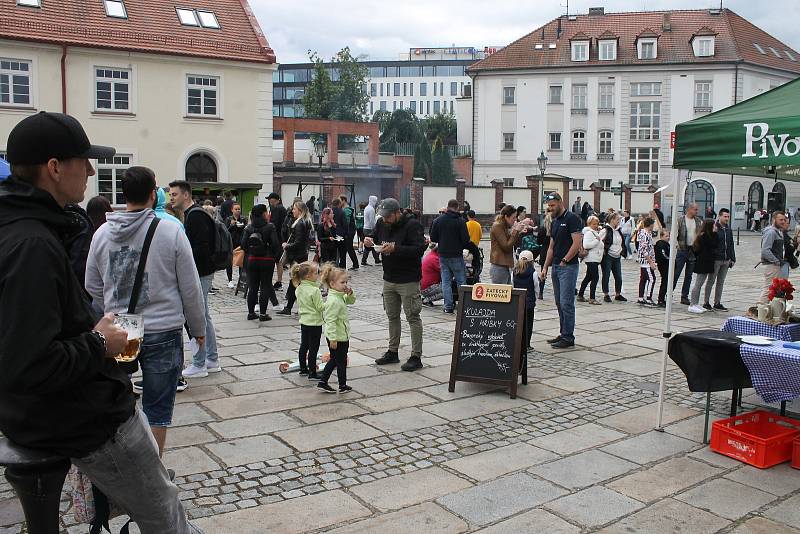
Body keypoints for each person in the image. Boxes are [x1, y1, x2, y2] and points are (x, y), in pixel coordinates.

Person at [0, 111, 200, 532]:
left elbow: (87, 286)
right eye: (83, 160)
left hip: (55, 409)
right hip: (83, 416)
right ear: (54, 168)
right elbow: (28, 361)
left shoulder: (34, 227)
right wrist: (98, 341)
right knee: (164, 512)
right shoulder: (32, 243)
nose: (91, 170)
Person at [86, 166, 206, 456]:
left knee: (120, 402)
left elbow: (92, 285)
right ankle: (152, 475)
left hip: (121, 328)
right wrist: (198, 329)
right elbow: (190, 287)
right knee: (158, 408)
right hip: (162, 328)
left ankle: (125, 468)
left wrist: (112, 310)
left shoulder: (102, 233)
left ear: (122, 195)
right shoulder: (171, 230)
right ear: (154, 194)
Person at [366, 198, 427, 371]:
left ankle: (416, 356)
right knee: (392, 316)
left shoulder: (412, 225)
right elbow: (376, 239)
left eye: (388, 217)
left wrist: (396, 249)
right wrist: (369, 242)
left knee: (413, 317)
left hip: (408, 278)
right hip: (389, 277)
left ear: (397, 213)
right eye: (383, 217)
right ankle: (393, 351)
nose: (385, 220)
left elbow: (418, 249)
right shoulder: (381, 223)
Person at [169, 180, 221, 379]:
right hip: (203, 271)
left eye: (174, 194)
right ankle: (211, 359)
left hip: (200, 272)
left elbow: (199, 249)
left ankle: (200, 363)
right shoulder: (195, 214)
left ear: (185, 195)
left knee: (197, 316)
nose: (171, 198)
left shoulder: (195, 216)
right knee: (203, 315)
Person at [540, 192, 583, 349]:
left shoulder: (572, 219)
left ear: (560, 202)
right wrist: (545, 266)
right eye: (549, 206)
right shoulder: (555, 220)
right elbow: (551, 246)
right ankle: (563, 332)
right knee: (559, 303)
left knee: (566, 303)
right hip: (556, 267)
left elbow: (576, 243)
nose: (550, 209)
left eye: (552, 205)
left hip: (568, 267)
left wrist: (565, 260)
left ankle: (568, 336)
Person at [317, 264, 356, 393]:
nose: (345, 284)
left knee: (335, 360)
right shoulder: (333, 300)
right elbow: (330, 321)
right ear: (332, 284)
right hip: (337, 337)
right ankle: (342, 385)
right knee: (340, 362)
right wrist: (333, 338)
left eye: (346, 282)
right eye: (342, 282)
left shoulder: (338, 296)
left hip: (341, 335)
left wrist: (350, 294)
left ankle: (323, 382)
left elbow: (350, 301)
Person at [430, 199, 471, 314]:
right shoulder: (460, 221)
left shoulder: (438, 220)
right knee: (461, 281)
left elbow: (433, 238)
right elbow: (466, 240)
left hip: (443, 255)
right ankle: (463, 305)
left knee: (446, 281)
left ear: (447, 207)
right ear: (457, 207)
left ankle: (448, 306)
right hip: (456, 255)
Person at [241, 204, 281, 321]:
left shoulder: (248, 227)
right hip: (267, 260)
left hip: (252, 260)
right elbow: (275, 244)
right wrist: (272, 254)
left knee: (252, 287)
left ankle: (251, 312)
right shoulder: (270, 226)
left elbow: (243, 244)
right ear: (264, 213)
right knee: (265, 286)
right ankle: (263, 314)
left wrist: (251, 251)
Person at [277, 200, 313, 315]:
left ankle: (290, 308)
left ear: (300, 210)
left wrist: (287, 246)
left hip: (297, 256)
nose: (292, 210)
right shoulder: (303, 222)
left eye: (294, 209)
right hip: (301, 255)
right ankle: (294, 307)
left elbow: (298, 243)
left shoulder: (299, 224)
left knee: (296, 282)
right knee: (297, 283)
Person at [293, 261, 323, 380]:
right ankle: (312, 372)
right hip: (315, 322)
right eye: (316, 273)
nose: (318, 276)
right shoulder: (315, 291)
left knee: (304, 345)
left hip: (304, 321)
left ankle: (302, 368)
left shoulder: (299, 288)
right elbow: (320, 307)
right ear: (308, 276)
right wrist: (330, 304)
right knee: (313, 348)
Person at [706, 208, 735, 311]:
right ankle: (706, 302)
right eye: (725, 216)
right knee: (711, 280)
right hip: (716, 259)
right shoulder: (715, 228)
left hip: (726, 259)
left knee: (721, 282)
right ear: (720, 216)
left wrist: (732, 258)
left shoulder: (728, 229)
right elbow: (711, 243)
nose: (727, 218)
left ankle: (717, 302)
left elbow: (731, 244)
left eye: (728, 217)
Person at [688, 219, 719, 314]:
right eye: (714, 225)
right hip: (702, 263)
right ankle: (692, 304)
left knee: (701, 283)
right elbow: (697, 249)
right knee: (698, 283)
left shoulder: (710, 235)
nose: (715, 227)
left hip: (708, 262)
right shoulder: (703, 236)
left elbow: (715, 245)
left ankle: (696, 303)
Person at [674, 203, 702, 305]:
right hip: (682, 249)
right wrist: (676, 245)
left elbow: (700, 234)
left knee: (689, 275)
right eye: (695, 209)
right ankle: (669, 293)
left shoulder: (698, 221)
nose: (697, 211)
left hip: (693, 250)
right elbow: (675, 234)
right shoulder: (680, 220)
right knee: (676, 273)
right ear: (689, 209)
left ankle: (684, 296)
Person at [759, 212, 790, 303]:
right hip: (772, 265)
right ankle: (760, 311)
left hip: (776, 265)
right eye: (780, 220)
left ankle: (767, 312)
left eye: (784, 220)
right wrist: (776, 261)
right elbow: (765, 250)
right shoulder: (771, 232)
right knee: (768, 290)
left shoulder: (778, 231)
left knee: (775, 290)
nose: (783, 222)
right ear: (773, 220)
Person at [489, 205, 521, 284]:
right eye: (513, 217)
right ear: (506, 216)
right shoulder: (498, 226)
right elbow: (506, 246)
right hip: (499, 266)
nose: (515, 220)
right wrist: (515, 232)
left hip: (504, 265)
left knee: (507, 293)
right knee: (500, 294)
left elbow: (510, 242)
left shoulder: (504, 226)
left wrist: (518, 232)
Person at [513, 250, 537, 350]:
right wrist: (535, 297)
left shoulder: (514, 272)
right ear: (532, 261)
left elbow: (512, 286)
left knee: (518, 323)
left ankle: (517, 342)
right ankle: (527, 344)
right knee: (528, 324)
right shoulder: (533, 273)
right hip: (529, 302)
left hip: (518, 302)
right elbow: (536, 288)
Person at [600, 212, 627, 303]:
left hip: (617, 256)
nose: (619, 221)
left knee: (618, 276)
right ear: (612, 220)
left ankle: (618, 294)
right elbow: (599, 241)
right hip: (608, 256)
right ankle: (606, 294)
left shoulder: (619, 230)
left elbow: (621, 242)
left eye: (619, 220)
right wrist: (603, 250)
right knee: (606, 275)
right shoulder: (605, 230)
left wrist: (622, 251)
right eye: (617, 220)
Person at [577, 215, 603, 305]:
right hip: (591, 258)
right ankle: (592, 298)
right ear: (589, 224)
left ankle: (580, 295)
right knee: (595, 277)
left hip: (595, 258)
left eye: (597, 224)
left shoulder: (594, 232)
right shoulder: (589, 233)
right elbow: (587, 245)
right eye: (594, 224)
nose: (596, 225)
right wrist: (597, 240)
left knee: (588, 277)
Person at [268, 192, 288, 289]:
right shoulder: (282, 208)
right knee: (279, 261)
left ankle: (278, 281)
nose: (269, 201)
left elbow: (273, 224)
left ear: (275, 200)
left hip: (276, 238)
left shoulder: (276, 209)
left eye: (270, 199)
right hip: (281, 237)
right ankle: (279, 281)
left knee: (277, 261)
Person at [637, 217, 658, 307]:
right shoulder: (645, 235)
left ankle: (641, 297)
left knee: (643, 279)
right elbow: (644, 250)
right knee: (652, 279)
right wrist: (651, 262)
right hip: (646, 261)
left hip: (645, 261)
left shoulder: (644, 233)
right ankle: (648, 298)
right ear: (650, 225)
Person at [225, 202, 247, 288]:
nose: (238, 211)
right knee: (229, 262)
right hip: (231, 242)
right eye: (236, 209)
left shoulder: (243, 219)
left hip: (240, 242)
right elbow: (226, 231)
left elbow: (245, 230)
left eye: (239, 209)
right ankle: (230, 280)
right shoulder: (228, 219)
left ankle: (240, 279)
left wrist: (243, 226)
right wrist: (231, 225)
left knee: (240, 262)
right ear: (232, 210)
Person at [338, 194, 359, 270]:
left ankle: (355, 264)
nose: (339, 202)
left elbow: (346, 222)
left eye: (340, 201)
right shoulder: (344, 209)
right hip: (349, 231)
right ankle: (355, 264)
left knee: (349, 248)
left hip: (349, 231)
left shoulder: (347, 210)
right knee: (349, 248)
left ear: (343, 200)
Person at [361, 195, 381, 266]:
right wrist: (375, 229)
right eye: (375, 201)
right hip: (369, 229)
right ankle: (365, 260)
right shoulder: (371, 209)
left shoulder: (367, 207)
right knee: (369, 245)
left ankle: (376, 259)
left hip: (365, 228)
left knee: (370, 244)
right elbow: (372, 221)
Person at [536, 212, 552, 299]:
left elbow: (538, 242)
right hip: (555, 251)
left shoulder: (543, 229)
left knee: (543, 271)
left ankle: (540, 293)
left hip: (545, 251)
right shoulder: (555, 228)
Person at [655, 229, 671, 307]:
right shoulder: (661, 244)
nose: (668, 238)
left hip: (667, 265)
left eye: (669, 236)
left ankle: (662, 298)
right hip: (663, 265)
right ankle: (660, 299)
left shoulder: (667, 244)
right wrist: (670, 259)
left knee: (666, 282)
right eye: (666, 236)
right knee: (664, 282)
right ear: (661, 236)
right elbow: (663, 255)